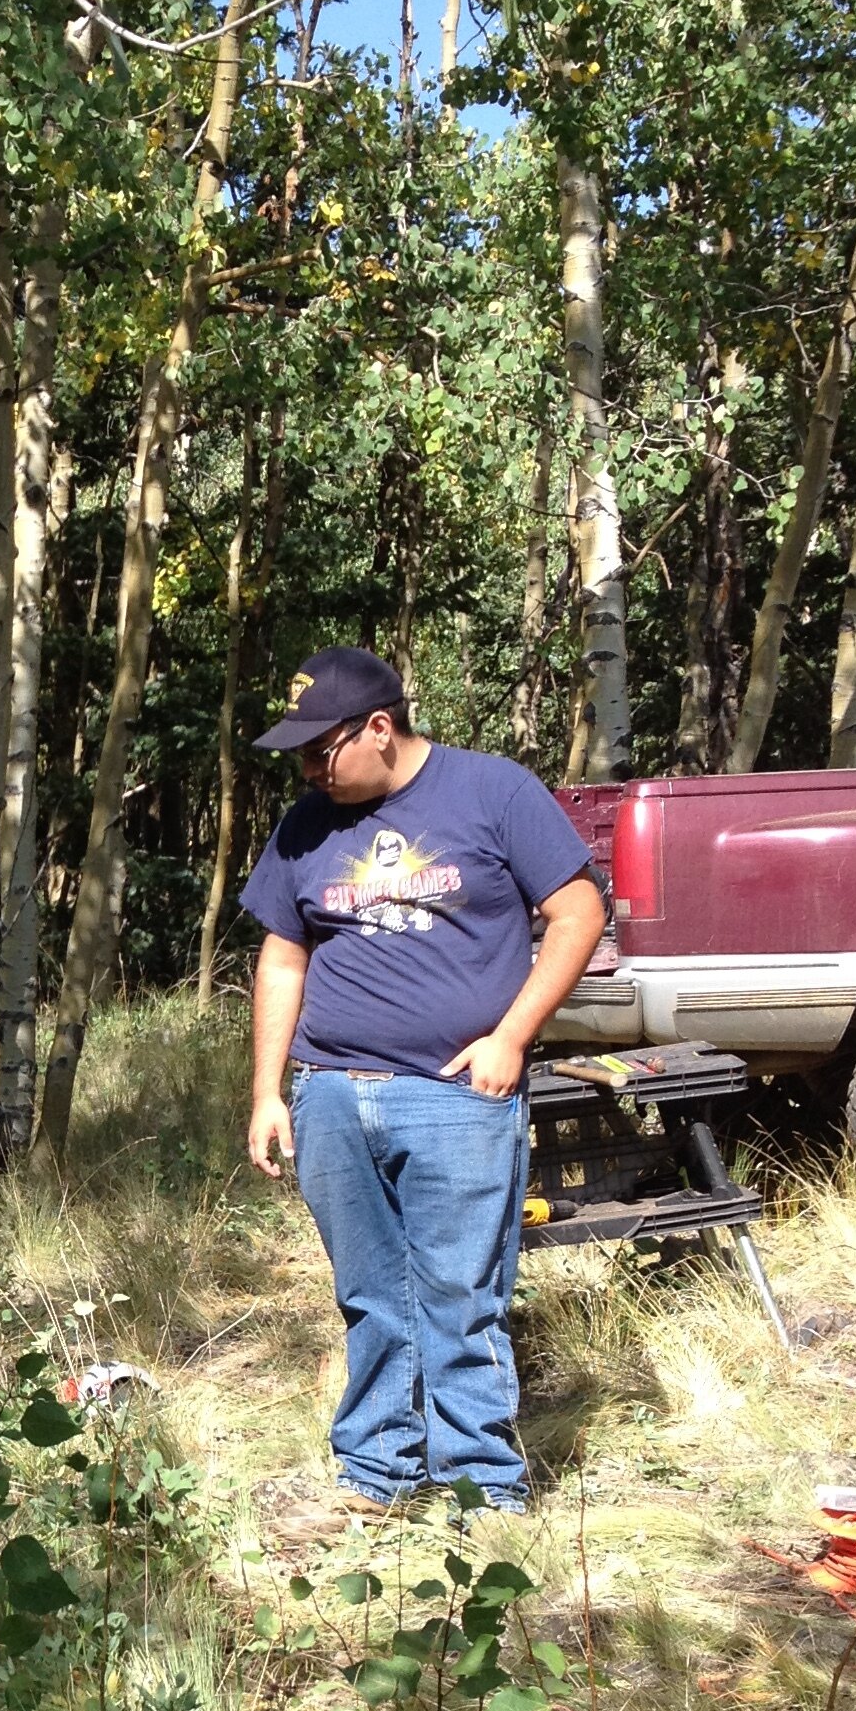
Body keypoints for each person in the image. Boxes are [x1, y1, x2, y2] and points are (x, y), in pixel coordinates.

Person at [238, 646, 606, 1516]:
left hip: (454, 1096)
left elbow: (578, 912)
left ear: (379, 726)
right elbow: (283, 959)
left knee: (461, 1296)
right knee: (369, 1295)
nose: (306, 769)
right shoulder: (305, 826)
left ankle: (482, 1485)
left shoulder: (495, 792)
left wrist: (512, 1037)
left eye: (318, 750)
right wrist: (267, 1091)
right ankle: (378, 1471)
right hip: (330, 1092)